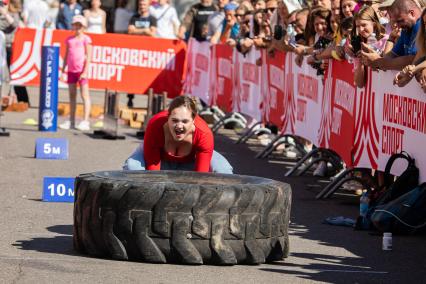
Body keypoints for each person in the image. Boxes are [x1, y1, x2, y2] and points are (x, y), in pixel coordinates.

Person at [123, 96, 233, 174]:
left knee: (223, 171)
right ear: (168, 117)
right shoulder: (155, 126)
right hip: (160, 161)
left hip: (192, 162)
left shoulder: (204, 134)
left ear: (193, 120)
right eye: (174, 120)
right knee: (132, 167)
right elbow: (153, 175)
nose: (179, 126)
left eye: (185, 121)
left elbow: (200, 178)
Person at [361, 0, 421, 70]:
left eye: (400, 21)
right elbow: (392, 55)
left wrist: (379, 62)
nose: (398, 26)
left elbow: (414, 60)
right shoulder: (407, 28)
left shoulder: (420, 25)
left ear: (412, 13)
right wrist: (375, 58)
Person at [59, 15, 92, 131]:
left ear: (83, 27)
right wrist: (63, 71)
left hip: (82, 71)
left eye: (80, 25)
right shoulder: (69, 40)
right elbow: (66, 55)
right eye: (75, 25)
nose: (77, 27)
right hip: (71, 71)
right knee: (72, 96)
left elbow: (88, 57)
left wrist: (85, 71)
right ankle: (72, 121)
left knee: (85, 95)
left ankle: (85, 121)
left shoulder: (86, 39)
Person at [126, 0, 157, 108]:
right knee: (132, 75)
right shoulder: (134, 17)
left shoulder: (152, 19)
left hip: (148, 52)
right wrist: (145, 31)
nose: (142, 6)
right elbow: (130, 31)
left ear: (148, 6)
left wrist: (137, 30)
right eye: (140, 4)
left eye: (144, 4)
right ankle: (130, 98)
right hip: (135, 51)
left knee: (149, 76)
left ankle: (151, 102)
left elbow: (152, 33)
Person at [352, 6, 388, 87]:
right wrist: (361, 61)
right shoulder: (360, 44)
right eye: (357, 26)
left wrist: (376, 58)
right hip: (375, 94)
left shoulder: (387, 40)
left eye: (364, 25)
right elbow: (359, 84)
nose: (361, 29)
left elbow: (388, 66)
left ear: (374, 24)